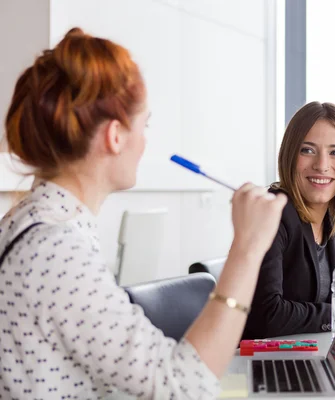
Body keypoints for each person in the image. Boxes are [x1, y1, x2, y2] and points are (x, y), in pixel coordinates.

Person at [0, 27, 287, 399]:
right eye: (144, 124)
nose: (145, 141)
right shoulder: (55, 248)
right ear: (115, 136)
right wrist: (247, 250)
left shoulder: (36, 224)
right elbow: (184, 386)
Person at [243, 101, 335, 339]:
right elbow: (268, 316)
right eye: (307, 150)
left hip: (309, 351)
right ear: (290, 154)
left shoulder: (334, 218)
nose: (321, 165)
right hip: (264, 363)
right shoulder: (273, 214)